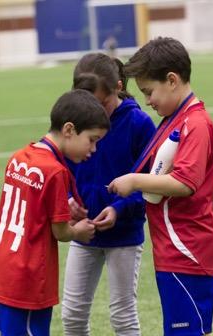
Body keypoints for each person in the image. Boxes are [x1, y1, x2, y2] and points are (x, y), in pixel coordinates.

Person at [108, 37, 213, 336]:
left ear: (171, 80)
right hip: (172, 246)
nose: (147, 101)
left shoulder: (194, 123)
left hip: (186, 247)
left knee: (187, 331)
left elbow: (185, 183)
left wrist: (133, 182)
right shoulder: (175, 118)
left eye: (149, 91)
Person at [0, 89, 110, 336]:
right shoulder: (55, 171)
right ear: (69, 129)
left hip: (4, 263)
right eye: (91, 140)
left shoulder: (19, 157)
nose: (93, 149)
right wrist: (78, 231)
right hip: (27, 276)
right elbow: (60, 231)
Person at [62, 53, 156, 336]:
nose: (95, 111)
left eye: (101, 103)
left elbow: (151, 185)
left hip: (124, 235)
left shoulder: (139, 123)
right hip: (82, 234)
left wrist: (119, 208)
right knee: (72, 316)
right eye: (88, 103)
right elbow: (61, 170)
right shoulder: (74, 121)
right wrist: (67, 200)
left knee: (123, 317)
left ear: (117, 86)